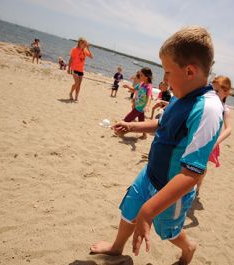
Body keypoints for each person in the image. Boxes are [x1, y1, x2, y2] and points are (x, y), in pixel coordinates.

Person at [90, 26, 224, 265]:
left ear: (190, 71)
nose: (165, 80)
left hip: (171, 190)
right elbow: (160, 125)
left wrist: (149, 210)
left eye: (168, 72)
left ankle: (189, 247)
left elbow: (192, 174)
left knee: (168, 230)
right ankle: (117, 246)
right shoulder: (179, 97)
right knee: (130, 207)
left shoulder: (209, 110)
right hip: (150, 173)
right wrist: (132, 127)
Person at [196, 75, 232, 193]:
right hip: (197, 135)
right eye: (212, 89)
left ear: (226, 92)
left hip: (211, 141)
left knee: (202, 166)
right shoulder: (206, 101)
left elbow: (228, 129)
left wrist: (216, 142)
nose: (213, 93)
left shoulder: (224, 109)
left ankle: (198, 186)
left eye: (217, 91)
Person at [122, 67, 153, 140]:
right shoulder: (141, 84)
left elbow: (149, 97)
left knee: (127, 119)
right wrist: (128, 86)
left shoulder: (149, 86)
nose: (140, 76)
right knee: (141, 121)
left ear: (146, 77)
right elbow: (133, 90)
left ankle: (119, 130)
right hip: (138, 106)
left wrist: (147, 106)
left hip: (140, 108)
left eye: (141, 75)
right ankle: (144, 135)